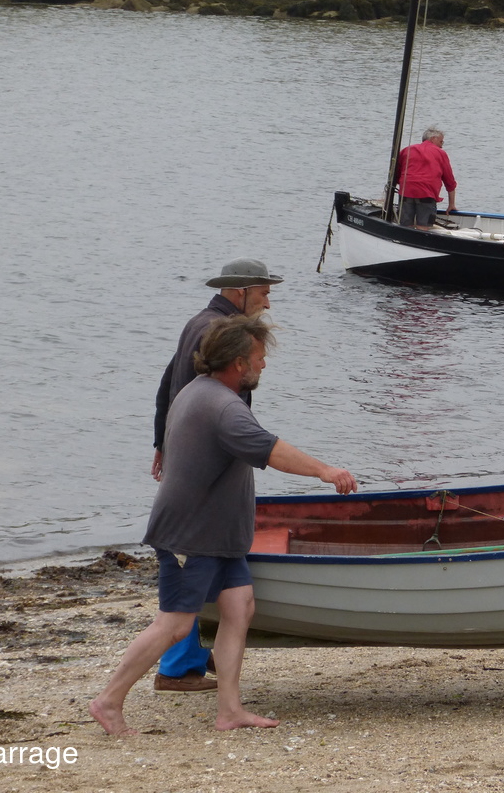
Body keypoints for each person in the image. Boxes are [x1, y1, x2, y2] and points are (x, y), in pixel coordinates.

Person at [90, 314, 358, 736]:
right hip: (190, 536)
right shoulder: (224, 407)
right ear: (238, 363)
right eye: (259, 357)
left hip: (218, 537)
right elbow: (270, 449)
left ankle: (229, 710)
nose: (263, 364)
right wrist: (326, 471)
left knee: (239, 607)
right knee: (175, 624)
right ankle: (108, 701)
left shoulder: (199, 390)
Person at [150, 257, 283, 695]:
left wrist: (162, 441)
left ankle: (194, 654)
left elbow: (167, 384)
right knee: (194, 553)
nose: (267, 302)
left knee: (201, 561)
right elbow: (215, 406)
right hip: (207, 460)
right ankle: (178, 666)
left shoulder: (198, 322)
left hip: (191, 452)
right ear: (239, 291)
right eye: (263, 292)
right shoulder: (221, 331)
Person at [396, 126, 457, 229]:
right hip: (426, 193)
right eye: (441, 142)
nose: (442, 146)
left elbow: (396, 175)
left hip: (406, 191)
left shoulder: (407, 150)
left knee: (405, 226)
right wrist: (451, 204)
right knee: (423, 226)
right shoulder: (441, 153)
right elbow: (450, 182)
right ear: (433, 139)